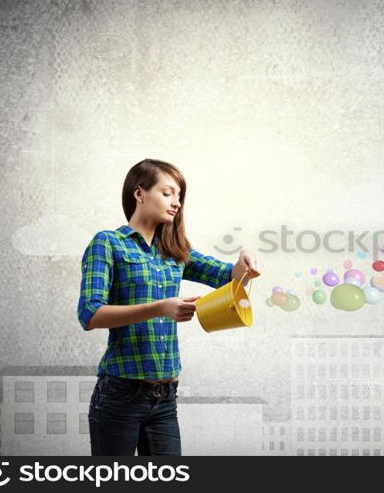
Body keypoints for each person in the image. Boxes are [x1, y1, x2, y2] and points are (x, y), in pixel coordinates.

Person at [77, 158, 258, 456]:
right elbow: (90, 314)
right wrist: (160, 307)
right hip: (121, 393)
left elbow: (228, 277)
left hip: (165, 398)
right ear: (140, 193)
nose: (176, 203)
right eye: (168, 193)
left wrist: (244, 261)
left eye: (179, 197)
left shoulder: (174, 251)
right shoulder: (108, 243)